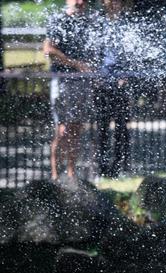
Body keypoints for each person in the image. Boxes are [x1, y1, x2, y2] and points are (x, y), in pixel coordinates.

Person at [44, 0, 101, 180]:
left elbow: (94, 52)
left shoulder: (89, 22)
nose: (80, 2)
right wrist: (75, 64)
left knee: (76, 129)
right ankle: (55, 176)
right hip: (62, 81)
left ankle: (71, 175)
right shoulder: (58, 20)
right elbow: (48, 49)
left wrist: (92, 69)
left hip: (81, 82)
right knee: (62, 130)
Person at [93, 0, 132, 178]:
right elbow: (93, 52)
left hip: (121, 85)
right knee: (101, 128)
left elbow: (131, 53)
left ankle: (120, 167)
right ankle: (101, 168)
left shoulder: (127, 22)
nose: (114, 3)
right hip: (102, 84)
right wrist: (95, 76)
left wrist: (125, 75)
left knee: (122, 129)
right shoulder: (98, 22)